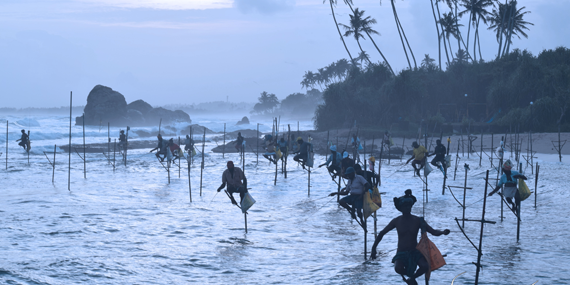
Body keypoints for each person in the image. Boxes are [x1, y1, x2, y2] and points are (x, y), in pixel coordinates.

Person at [371, 190, 450, 285]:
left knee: (425, 266)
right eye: (405, 206)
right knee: (398, 268)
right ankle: (410, 278)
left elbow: (433, 232)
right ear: (401, 208)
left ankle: (412, 278)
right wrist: (373, 248)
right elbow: (382, 233)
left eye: (409, 206)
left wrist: (442, 232)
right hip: (401, 252)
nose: (407, 208)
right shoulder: (396, 221)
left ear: (411, 206)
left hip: (415, 251)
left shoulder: (418, 220)